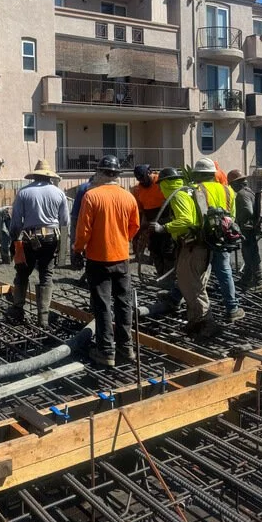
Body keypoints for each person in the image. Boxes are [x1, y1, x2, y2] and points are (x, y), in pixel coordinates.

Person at [73, 155, 140, 367]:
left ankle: (106, 351)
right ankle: (126, 348)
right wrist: (121, 240)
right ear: (118, 175)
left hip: (98, 259)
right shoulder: (128, 197)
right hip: (122, 258)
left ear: (101, 173)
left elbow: (83, 231)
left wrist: (77, 249)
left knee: (102, 306)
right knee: (123, 303)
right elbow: (134, 227)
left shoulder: (92, 196)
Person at [151, 167, 218, 339]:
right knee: (196, 285)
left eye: (160, 185)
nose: (159, 189)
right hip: (202, 245)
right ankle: (195, 322)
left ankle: (206, 324)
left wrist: (163, 228)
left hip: (192, 247)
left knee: (191, 286)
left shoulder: (178, 195)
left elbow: (186, 220)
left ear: (165, 183)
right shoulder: (189, 191)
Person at [7, 159, 69, 328]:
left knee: (22, 273)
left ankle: (18, 310)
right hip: (51, 238)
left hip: (30, 238)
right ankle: (43, 318)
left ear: (34, 176)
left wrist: (14, 241)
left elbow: (16, 223)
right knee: (46, 275)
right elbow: (65, 223)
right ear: (50, 177)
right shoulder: (59, 193)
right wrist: (62, 250)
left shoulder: (24, 192)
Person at [191, 158, 244, 321]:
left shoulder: (194, 189)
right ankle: (232, 308)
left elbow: (193, 217)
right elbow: (232, 216)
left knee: (192, 272)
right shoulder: (228, 190)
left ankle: (180, 301)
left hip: (201, 238)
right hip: (222, 237)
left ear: (198, 174)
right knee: (224, 271)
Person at [132, 165, 177, 288]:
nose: (143, 181)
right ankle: (161, 276)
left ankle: (169, 279)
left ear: (150, 172)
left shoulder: (161, 182)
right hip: (151, 223)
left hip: (166, 220)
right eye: (140, 179)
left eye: (144, 178)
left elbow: (173, 203)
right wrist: (142, 228)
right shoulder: (138, 190)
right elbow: (141, 211)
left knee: (168, 250)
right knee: (155, 250)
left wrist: (166, 222)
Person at [228, 169, 262, 291]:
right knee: (248, 253)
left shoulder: (242, 194)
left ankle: (258, 280)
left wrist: (238, 221)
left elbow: (248, 210)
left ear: (236, 183)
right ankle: (247, 278)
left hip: (247, 229)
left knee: (250, 254)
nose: (231, 188)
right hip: (251, 228)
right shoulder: (250, 192)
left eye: (231, 185)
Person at [70, 174, 95, 271]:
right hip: (81, 216)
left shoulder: (82, 186)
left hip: (74, 214)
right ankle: (82, 260)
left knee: (74, 238)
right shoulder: (90, 188)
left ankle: (74, 261)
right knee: (85, 236)